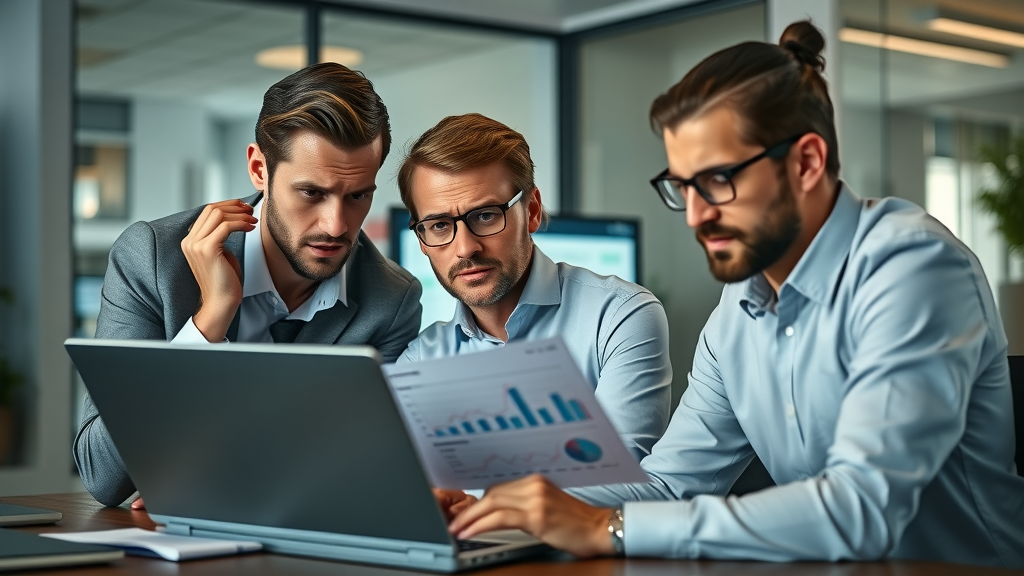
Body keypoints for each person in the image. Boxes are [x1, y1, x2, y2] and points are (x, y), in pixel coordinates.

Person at [446, 22, 1024, 569]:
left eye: (718, 180)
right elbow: (671, 484)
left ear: (806, 162)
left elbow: (862, 507)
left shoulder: (912, 267)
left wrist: (610, 529)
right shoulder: (740, 311)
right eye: (683, 186)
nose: (697, 214)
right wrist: (504, 506)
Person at [74, 63, 423, 507]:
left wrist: (213, 469)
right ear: (260, 169)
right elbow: (103, 477)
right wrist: (209, 322)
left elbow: (368, 466)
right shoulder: (153, 259)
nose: (337, 225)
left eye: (358, 195)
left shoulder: (391, 300)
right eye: (312, 193)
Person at [396, 113, 672, 461]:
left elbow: (620, 475)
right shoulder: (419, 362)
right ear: (421, 239)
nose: (465, 248)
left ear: (533, 211)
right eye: (438, 225)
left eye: (485, 215)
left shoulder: (618, 316)